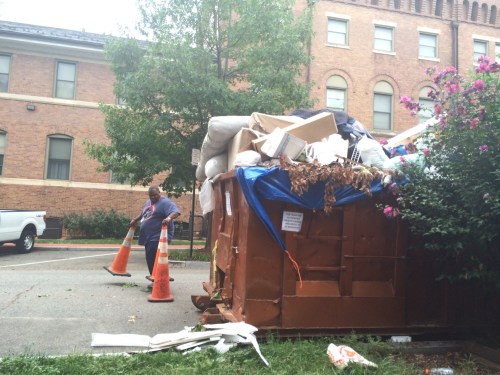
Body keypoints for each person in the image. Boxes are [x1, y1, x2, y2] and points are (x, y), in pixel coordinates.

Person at [130, 186, 180, 280]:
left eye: (155, 195)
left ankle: (161, 277)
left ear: (159, 193)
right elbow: (143, 213)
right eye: (151, 196)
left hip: (159, 235)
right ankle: (155, 276)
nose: (153, 197)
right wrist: (135, 220)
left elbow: (175, 212)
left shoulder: (165, 202)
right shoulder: (149, 202)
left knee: (153, 254)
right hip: (148, 236)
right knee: (149, 257)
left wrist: (168, 218)